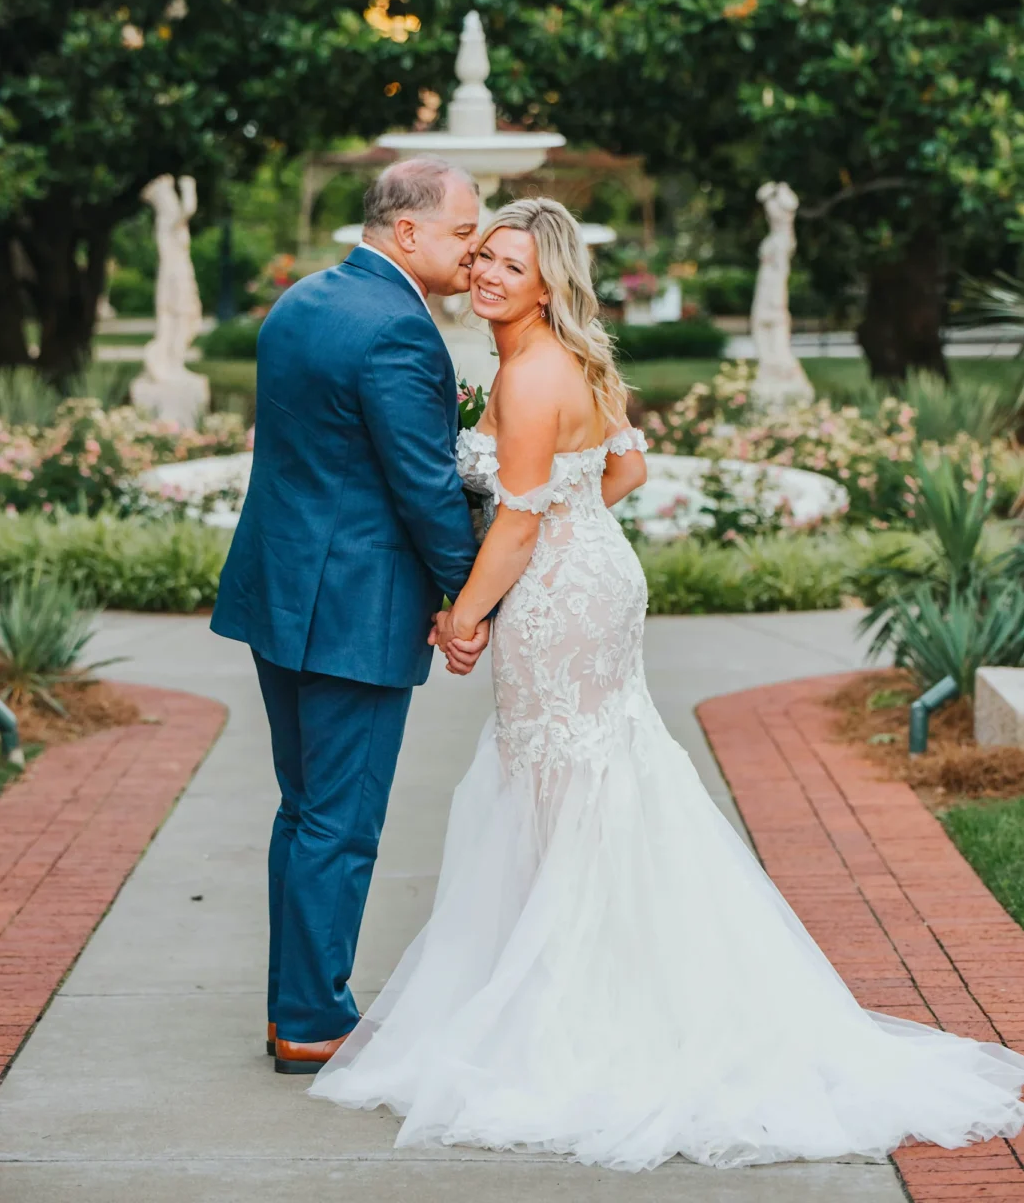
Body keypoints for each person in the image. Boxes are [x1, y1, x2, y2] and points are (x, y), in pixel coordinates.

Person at [311, 196, 1024, 1170]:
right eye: (478, 257)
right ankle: (588, 979)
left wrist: (463, 611)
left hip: (558, 597)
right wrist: (563, 518)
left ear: (548, 282)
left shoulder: (528, 378)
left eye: (508, 267)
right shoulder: (568, 362)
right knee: (593, 775)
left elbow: (517, 523)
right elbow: (625, 472)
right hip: (594, 573)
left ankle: (576, 1009)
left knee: (562, 781)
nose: (482, 275)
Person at [211, 157, 490, 1075]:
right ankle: (311, 1020)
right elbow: (422, 486)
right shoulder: (401, 333)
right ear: (406, 231)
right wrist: (464, 596)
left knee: (304, 810)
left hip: (280, 592)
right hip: (354, 611)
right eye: (462, 230)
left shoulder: (302, 301)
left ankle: (293, 1005)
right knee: (341, 820)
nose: (475, 244)